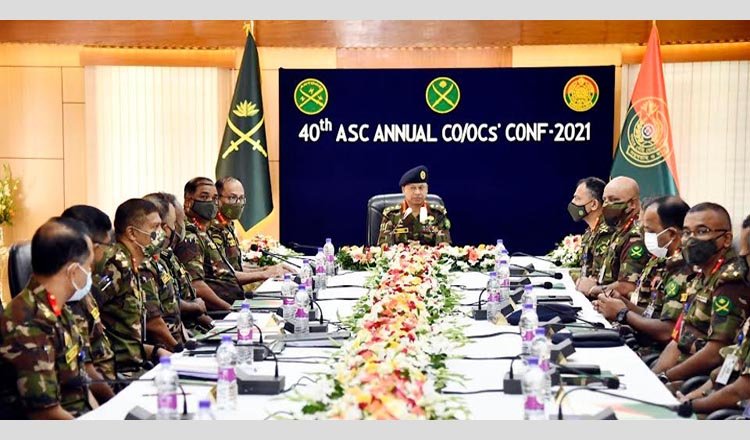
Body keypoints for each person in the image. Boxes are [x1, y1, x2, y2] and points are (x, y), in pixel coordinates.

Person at [0, 217, 113, 419]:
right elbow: (46, 413)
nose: (90, 272)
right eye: (88, 266)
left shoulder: (60, 309)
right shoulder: (29, 323)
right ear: (73, 271)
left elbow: (81, 385)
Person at [652, 203, 750, 385]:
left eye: (702, 231)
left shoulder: (730, 281)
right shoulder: (701, 274)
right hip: (679, 373)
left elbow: (715, 352)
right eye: (687, 232)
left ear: (726, 239)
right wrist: (653, 376)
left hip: (699, 381)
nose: (691, 239)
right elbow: (678, 337)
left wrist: (666, 377)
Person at [595, 196, 692, 357]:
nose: (644, 236)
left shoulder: (683, 270)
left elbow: (667, 331)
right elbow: (652, 315)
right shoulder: (665, 261)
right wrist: (622, 302)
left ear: (671, 234)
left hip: (657, 353)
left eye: (650, 231)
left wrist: (623, 313)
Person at [93, 199, 172, 377]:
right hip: (119, 372)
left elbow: (127, 335)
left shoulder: (132, 263)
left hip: (138, 363)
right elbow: (88, 312)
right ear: (132, 233)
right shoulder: (116, 265)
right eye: (155, 227)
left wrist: (154, 351)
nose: (161, 233)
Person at [60, 205, 118, 383]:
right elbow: (84, 370)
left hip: (111, 382)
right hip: (97, 392)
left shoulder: (84, 289)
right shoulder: (65, 297)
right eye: (107, 246)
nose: (111, 254)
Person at [144, 192, 214, 333]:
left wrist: (215, 326)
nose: (180, 227)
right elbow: (157, 316)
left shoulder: (166, 255)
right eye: (176, 222)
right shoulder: (145, 264)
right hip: (171, 339)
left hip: (188, 331)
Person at [577, 176, 647, 299]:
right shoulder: (619, 229)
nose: (607, 205)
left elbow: (627, 286)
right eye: (605, 200)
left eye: (614, 200)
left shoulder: (635, 236)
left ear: (632, 203)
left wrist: (593, 289)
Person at [211, 176, 289, 281]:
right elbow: (224, 275)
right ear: (217, 199)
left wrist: (266, 269)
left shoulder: (228, 226)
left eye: (241, 198)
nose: (238, 203)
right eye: (232, 198)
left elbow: (235, 268)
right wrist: (264, 274)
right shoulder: (213, 229)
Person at [377, 165, 452, 246]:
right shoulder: (391, 214)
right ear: (403, 190)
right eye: (413, 188)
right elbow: (385, 246)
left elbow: (444, 246)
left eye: (421, 188)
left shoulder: (438, 213)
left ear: (427, 189)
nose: (417, 192)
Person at [568, 177, 612, 285]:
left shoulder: (607, 233)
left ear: (594, 204)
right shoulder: (590, 231)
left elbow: (601, 278)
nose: (572, 202)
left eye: (577, 199)